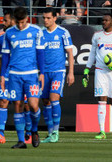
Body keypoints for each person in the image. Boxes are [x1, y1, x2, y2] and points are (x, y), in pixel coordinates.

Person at [0, 6, 45, 149]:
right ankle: (21, 141)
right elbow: (5, 56)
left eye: (22, 22)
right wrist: (2, 76)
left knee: (33, 105)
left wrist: (42, 73)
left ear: (27, 19)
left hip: (31, 74)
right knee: (18, 105)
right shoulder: (9, 33)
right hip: (14, 75)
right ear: (14, 20)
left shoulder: (36, 31)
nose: (20, 25)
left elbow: (40, 53)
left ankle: (34, 130)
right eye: (17, 22)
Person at [82, 13, 112, 139]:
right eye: (103, 20)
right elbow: (92, 53)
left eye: (106, 20)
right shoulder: (97, 36)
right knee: (101, 99)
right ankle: (102, 131)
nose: (104, 22)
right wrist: (87, 69)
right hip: (100, 71)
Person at [0, 11, 32, 144]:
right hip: (6, 76)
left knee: (24, 105)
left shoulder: (27, 36)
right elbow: (0, 60)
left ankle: (28, 132)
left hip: (21, 74)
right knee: (3, 102)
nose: (4, 23)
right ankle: (1, 133)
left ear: (14, 21)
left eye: (6, 21)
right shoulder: (2, 38)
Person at [40, 7, 74, 143]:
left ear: (55, 18)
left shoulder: (63, 33)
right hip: (44, 73)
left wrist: (71, 72)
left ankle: (56, 132)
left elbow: (70, 54)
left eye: (48, 18)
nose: (46, 20)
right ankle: (49, 133)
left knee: (54, 98)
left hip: (58, 71)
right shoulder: (40, 34)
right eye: (44, 18)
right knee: (45, 101)